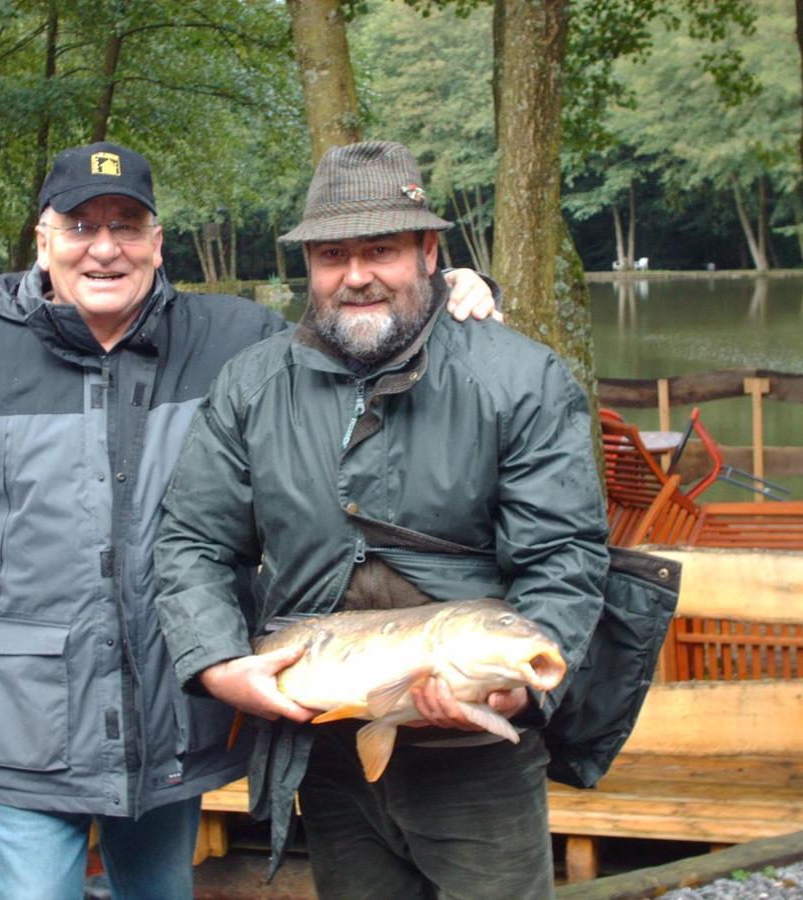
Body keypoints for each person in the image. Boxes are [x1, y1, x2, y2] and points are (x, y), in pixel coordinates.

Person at [0, 140, 500, 900]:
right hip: (24, 717)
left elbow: (357, 323)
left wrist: (449, 287)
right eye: (79, 226)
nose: (105, 248)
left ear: (157, 242)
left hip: (171, 711)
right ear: (43, 239)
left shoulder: (234, 343)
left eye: (127, 225)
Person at [154, 141, 611, 899]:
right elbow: (192, 543)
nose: (356, 274)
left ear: (430, 251)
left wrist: (518, 689)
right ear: (309, 265)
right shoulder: (251, 385)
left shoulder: (521, 379)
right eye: (333, 253)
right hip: (327, 750)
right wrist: (219, 665)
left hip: (477, 764)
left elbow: (563, 555)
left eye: (382, 249)